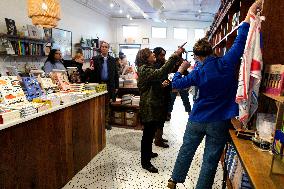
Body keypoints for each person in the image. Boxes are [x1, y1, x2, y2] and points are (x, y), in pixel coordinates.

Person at [167, 1, 263, 188]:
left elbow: (176, 85)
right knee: (210, 160)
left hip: (198, 118)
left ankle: (174, 180)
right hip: (219, 120)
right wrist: (248, 15)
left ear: (197, 56)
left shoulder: (197, 72)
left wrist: (180, 69)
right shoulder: (226, 63)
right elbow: (240, 40)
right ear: (211, 51)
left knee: (187, 149)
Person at [136, 46, 185, 173]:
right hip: (148, 106)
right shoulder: (144, 69)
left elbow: (152, 84)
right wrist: (175, 54)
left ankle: (149, 153)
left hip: (152, 104)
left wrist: (160, 85)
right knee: (147, 135)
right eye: (151, 54)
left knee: (151, 132)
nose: (154, 55)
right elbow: (161, 72)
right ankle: (145, 162)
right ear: (145, 58)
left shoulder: (148, 69)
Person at [92, 41, 119, 130]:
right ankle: (98, 122)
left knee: (107, 104)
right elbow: (93, 72)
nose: (104, 48)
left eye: (106, 47)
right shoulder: (95, 59)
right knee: (98, 104)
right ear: (100, 48)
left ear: (108, 49)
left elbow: (116, 74)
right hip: (99, 84)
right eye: (102, 47)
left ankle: (106, 122)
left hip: (109, 84)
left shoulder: (112, 60)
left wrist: (116, 86)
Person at [153, 47, 170, 148]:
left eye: (164, 55)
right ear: (156, 55)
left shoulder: (162, 64)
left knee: (162, 117)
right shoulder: (156, 66)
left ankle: (159, 137)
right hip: (159, 95)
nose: (163, 57)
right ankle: (158, 140)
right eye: (161, 55)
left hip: (164, 94)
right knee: (160, 118)